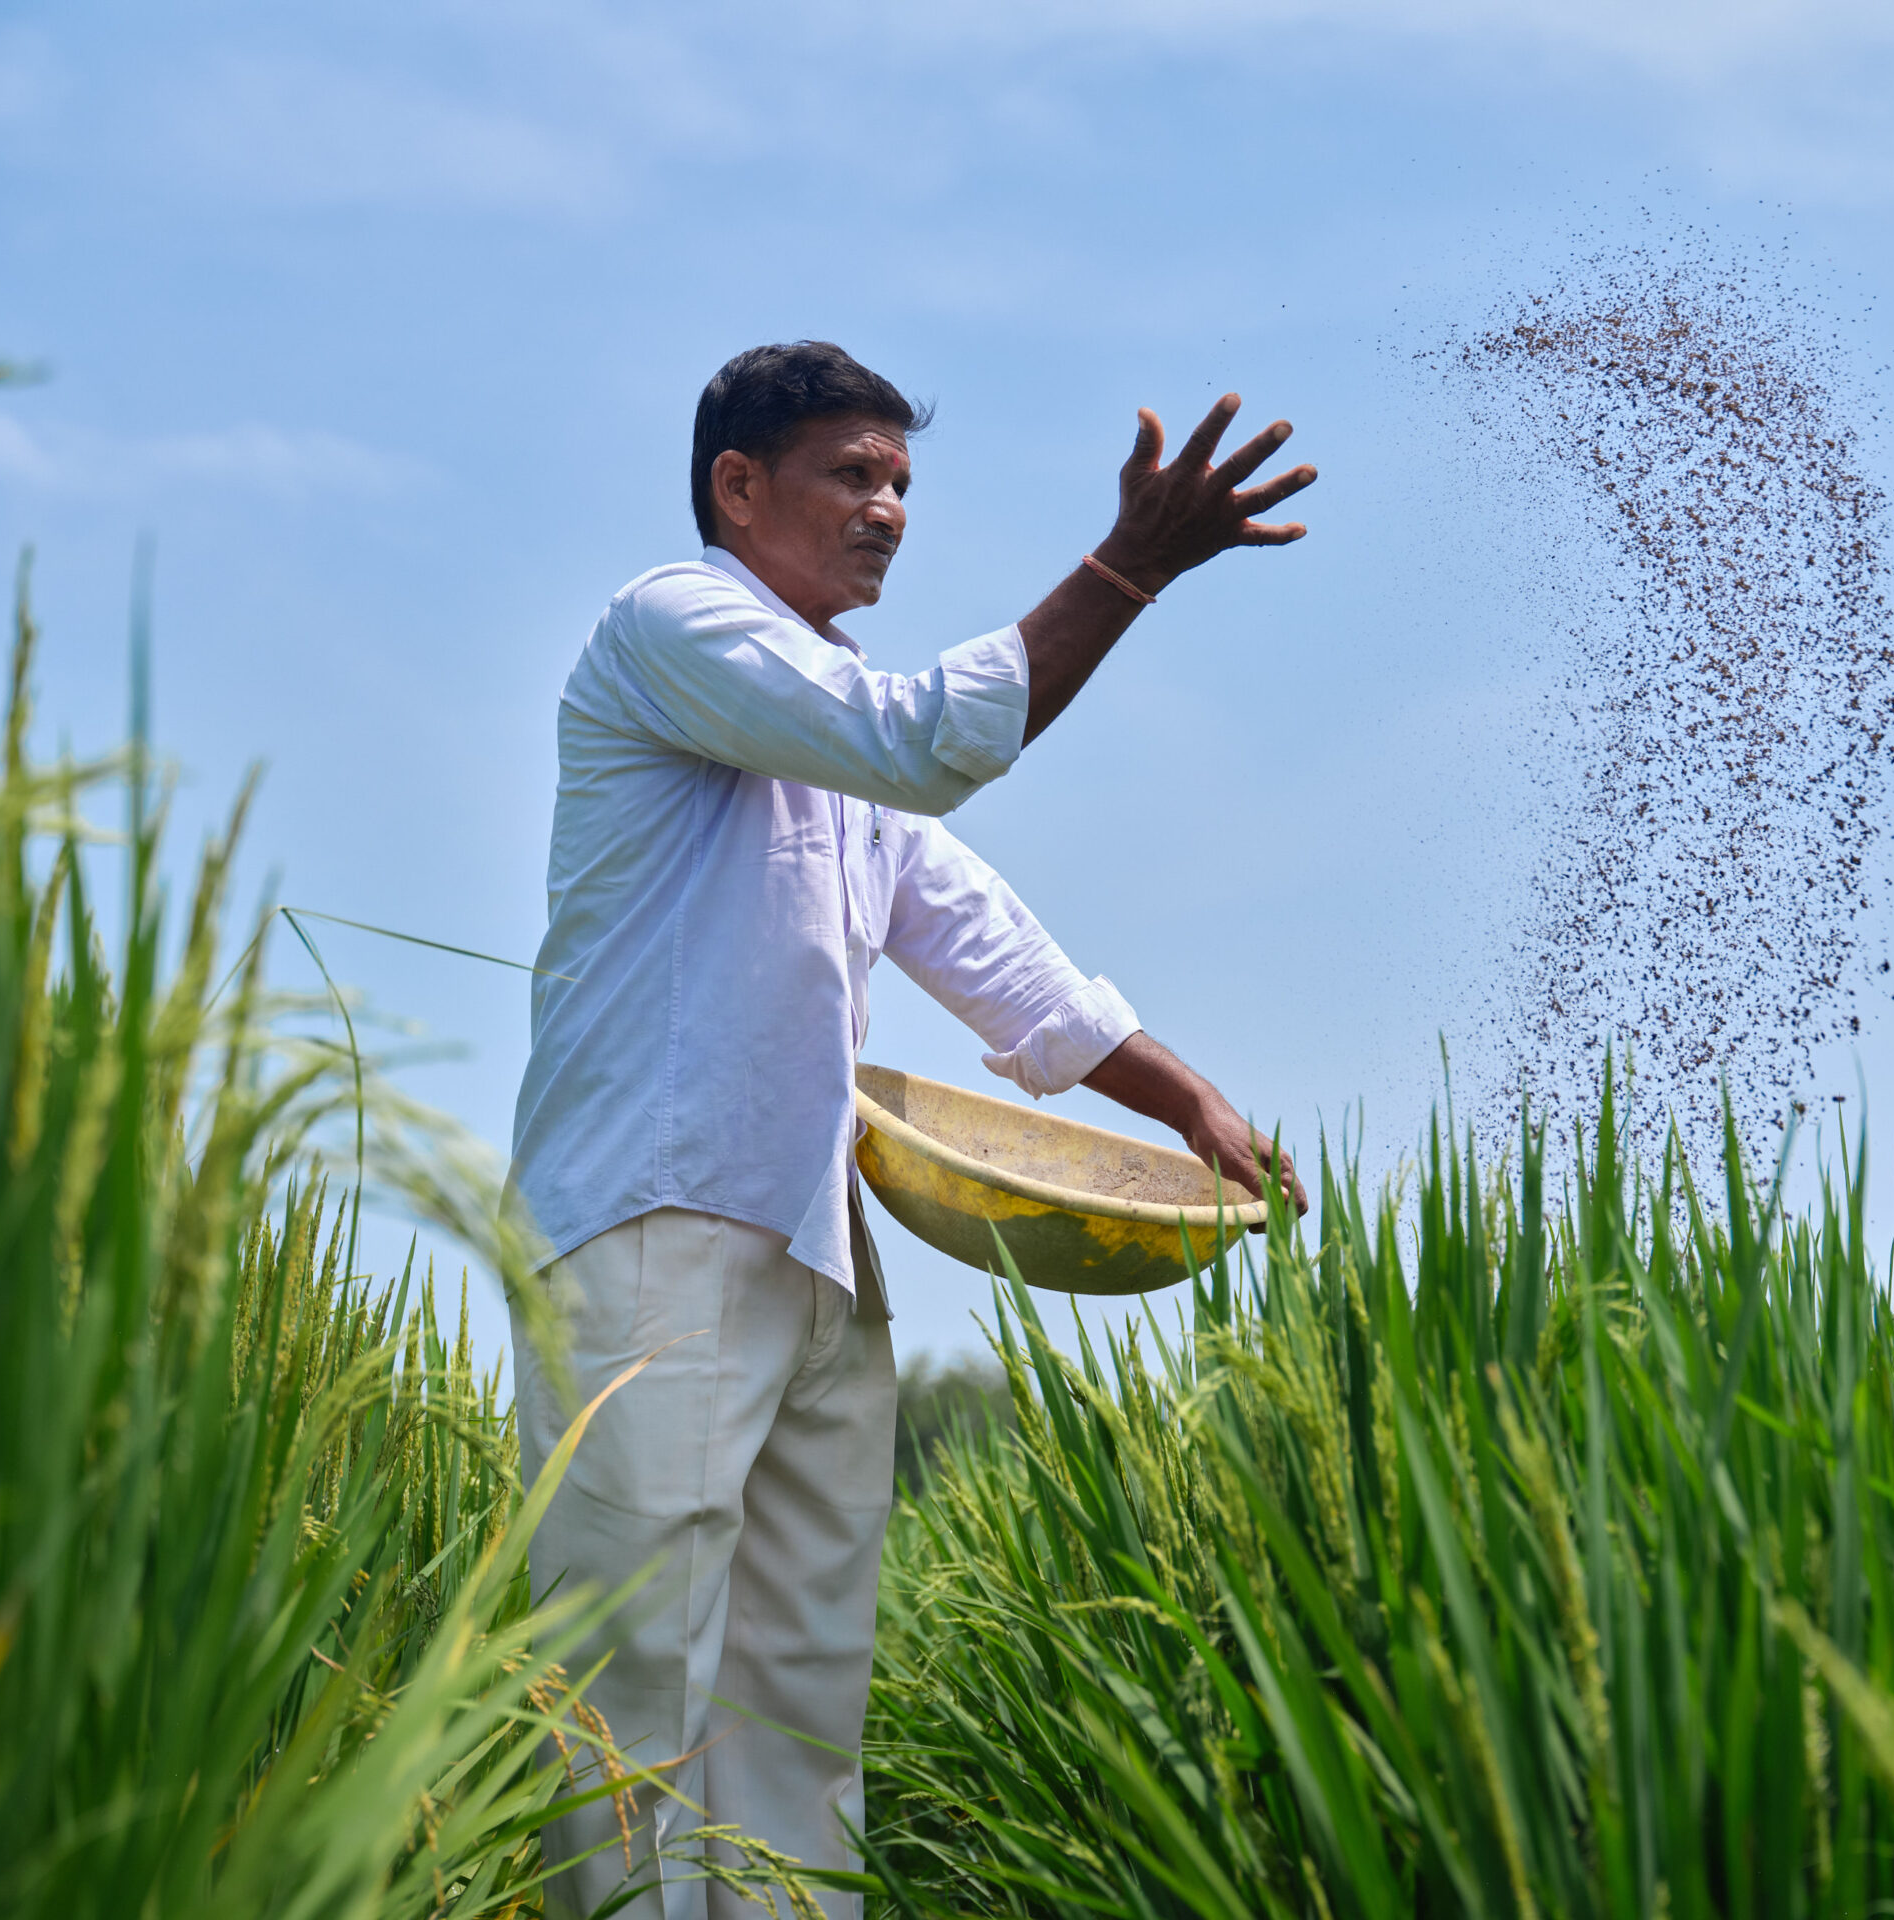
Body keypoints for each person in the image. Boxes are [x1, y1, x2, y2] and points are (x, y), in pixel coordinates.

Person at [506, 340, 1315, 1920]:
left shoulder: (843, 753)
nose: (886, 509)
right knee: (630, 1683)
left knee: (797, 1692)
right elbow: (921, 737)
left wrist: (1192, 1102)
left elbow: (1004, 959)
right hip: (660, 1230)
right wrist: (1128, 571)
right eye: (849, 475)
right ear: (738, 489)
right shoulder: (676, 627)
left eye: (900, 484)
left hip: (815, 1249)